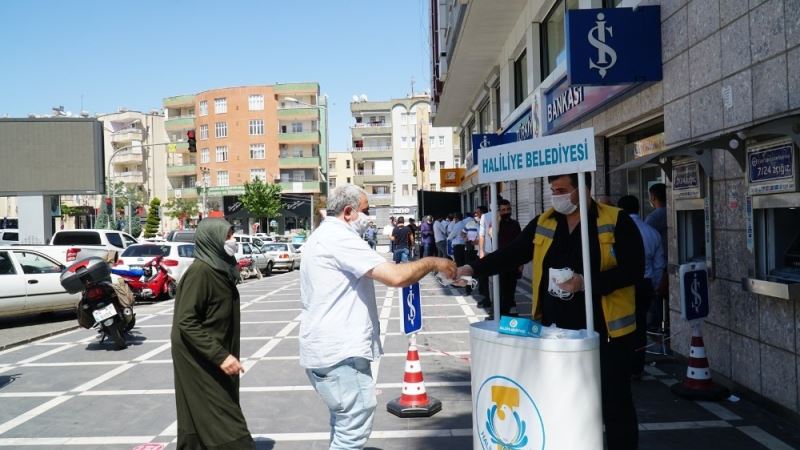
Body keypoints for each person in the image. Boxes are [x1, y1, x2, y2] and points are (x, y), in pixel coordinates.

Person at [457, 172, 644, 450]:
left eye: (562, 190)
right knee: (563, 402)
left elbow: (634, 270)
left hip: (607, 333)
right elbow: (512, 254)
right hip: (555, 333)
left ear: (584, 188)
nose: (556, 196)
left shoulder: (616, 221)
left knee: (615, 404)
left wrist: (585, 283)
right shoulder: (545, 222)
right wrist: (471, 268)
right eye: (553, 190)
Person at [299, 184, 456, 450]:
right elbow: (396, 276)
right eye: (366, 210)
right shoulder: (340, 237)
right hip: (341, 354)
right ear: (348, 212)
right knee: (352, 431)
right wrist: (433, 262)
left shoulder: (322, 235)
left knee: (343, 423)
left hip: (326, 350)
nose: (369, 216)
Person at [171, 218, 256, 449]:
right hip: (199, 359)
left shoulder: (219, 268)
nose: (233, 240)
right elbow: (186, 321)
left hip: (212, 355)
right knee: (226, 419)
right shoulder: (200, 272)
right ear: (212, 240)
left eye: (231, 234)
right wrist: (221, 356)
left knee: (197, 420)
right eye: (227, 236)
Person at [618, 195, 666, 379]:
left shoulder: (617, 231)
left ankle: (622, 365)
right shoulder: (651, 232)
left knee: (620, 326)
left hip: (622, 285)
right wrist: (654, 286)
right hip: (645, 283)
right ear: (638, 208)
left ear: (620, 210)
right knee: (640, 326)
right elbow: (659, 265)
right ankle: (637, 368)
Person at [645, 183, 668, 331]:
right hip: (671, 264)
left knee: (657, 305)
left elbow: (646, 241)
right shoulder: (670, 211)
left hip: (660, 267)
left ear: (653, 197)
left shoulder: (653, 217)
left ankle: (659, 331)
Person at [496, 198, 522, 318]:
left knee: (511, 288)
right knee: (501, 288)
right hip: (499, 261)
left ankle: (510, 310)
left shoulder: (515, 224)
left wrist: (521, 262)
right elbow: (491, 234)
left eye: (508, 209)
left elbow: (520, 243)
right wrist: (498, 220)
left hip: (513, 261)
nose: (506, 212)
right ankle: (501, 311)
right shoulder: (496, 224)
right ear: (499, 211)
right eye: (503, 210)